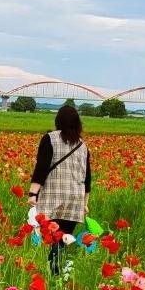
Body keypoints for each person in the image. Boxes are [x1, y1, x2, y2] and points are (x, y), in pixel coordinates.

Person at [28, 106, 92, 277]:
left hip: (53, 196)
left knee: (54, 236)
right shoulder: (82, 145)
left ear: (58, 121)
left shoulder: (50, 138)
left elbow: (41, 168)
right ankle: (58, 271)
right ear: (78, 123)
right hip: (75, 199)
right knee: (63, 237)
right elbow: (87, 178)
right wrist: (85, 204)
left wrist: (33, 193)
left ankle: (53, 273)